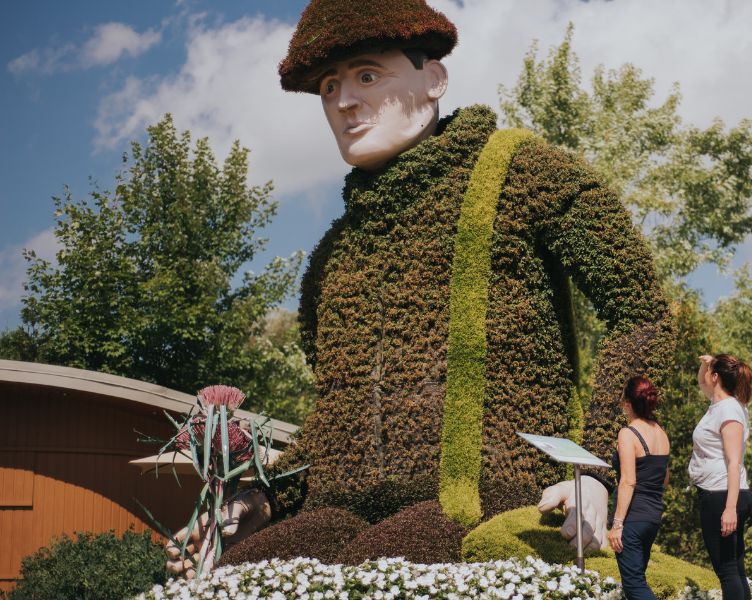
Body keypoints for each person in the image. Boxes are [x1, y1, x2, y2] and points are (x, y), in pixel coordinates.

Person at [166, 0, 674, 575]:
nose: (344, 102)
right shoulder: (334, 257)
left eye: (366, 75)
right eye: (329, 87)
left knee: (376, 568)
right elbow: (337, 418)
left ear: (434, 79)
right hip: (342, 507)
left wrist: (595, 471)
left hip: (488, 495)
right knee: (242, 575)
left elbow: (642, 314)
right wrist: (264, 496)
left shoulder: (519, 173)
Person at [689, 353, 752, 599]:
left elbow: (734, 462)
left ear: (716, 377)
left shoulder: (728, 410)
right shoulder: (720, 404)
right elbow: (702, 383)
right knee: (734, 568)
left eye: (710, 371)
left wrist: (730, 509)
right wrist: (706, 364)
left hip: (723, 496)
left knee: (727, 570)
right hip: (720, 494)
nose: (705, 375)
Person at [608, 375, 670, 600]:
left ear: (627, 403)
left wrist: (617, 524)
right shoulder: (661, 433)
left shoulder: (628, 433)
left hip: (633, 519)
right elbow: (664, 479)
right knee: (636, 582)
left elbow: (628, 481)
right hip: (652, 517)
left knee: (635, 586)